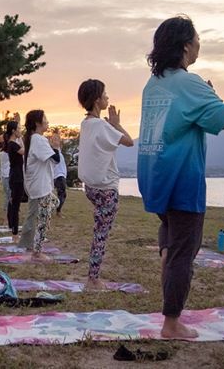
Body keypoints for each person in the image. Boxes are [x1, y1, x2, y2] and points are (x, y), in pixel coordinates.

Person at [138, 16, 224, 339]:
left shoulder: (153, 84)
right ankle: (171, 323)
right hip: (183, 181)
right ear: (185, 45)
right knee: (183, 254)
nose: (199, 44)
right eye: (197, 38)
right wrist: (212, 94)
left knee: (171, 245)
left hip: (155, 179)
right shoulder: (188, 83)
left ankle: (169, 296)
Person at [77, 79, 134, 290]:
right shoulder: (101, 125)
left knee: (98, 231)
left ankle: (93, 276)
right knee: (100, 234)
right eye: (105, 94)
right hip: (106, 189)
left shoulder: (86, 124)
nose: (108, 98)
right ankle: (93, 279)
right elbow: (129, 141)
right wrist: (116, 123)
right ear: (97, 99)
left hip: (91, 187)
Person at [18, 110, 62, 260]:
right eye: (45, 119)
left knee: (54, 203)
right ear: (38, 123)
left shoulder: (34, 139)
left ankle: (32, 243)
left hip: (38, 184)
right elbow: (55, 159)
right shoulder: (38, 139)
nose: (48, 121)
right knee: (44, 219)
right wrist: (56, 146)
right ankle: (37, 252)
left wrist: (53, 146)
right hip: (40, 185)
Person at [4, 121, 25, 243]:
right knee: (15, 206)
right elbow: (24, 151)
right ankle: (15, 234)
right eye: (18, 128)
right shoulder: (12, 144)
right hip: (16, 177)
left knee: (14, 204)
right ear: (13, 130)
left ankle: (13, 227)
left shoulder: (12, 144)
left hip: (17, 176)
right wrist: (22, 138)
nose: (20, 131)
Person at [0, 134, 11, 228]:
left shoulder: (4, 151)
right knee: (8, 197)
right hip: (7, 176)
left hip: (7, 175)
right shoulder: (4, 152)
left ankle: (9, 217)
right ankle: (6, 218)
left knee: (10, 197)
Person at [52, 134, 68, 217]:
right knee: (62, 193)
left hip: (62, 175)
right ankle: (57, 211)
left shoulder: (59, 151)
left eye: (57, 139)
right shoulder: (53, 151)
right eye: (54, 139)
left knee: (61, 194)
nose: (56, 141)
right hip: (58, 176)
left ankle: (57, 210)